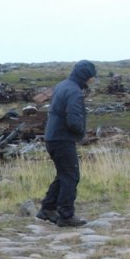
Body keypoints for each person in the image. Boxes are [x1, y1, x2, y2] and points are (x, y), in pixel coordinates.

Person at [37, 60, 97, 227]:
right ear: (85, 76)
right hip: (63, 138)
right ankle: (66, 215)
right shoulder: (74, 92)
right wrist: (80, 134)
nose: (92, 80)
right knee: (71, 176)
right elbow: (73, 119)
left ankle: (48, 208)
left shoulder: (63, 85)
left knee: (63, 174)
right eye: (91, 77)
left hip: (52, 137)